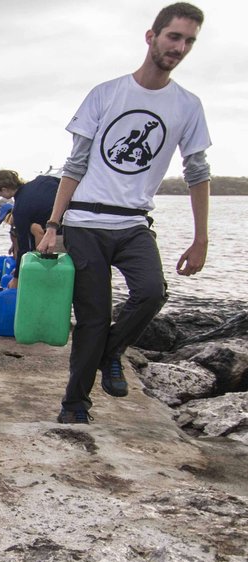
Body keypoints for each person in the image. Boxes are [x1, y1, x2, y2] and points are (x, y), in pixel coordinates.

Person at [36, 2, 211, 424]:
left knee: (152, 291)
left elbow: (198, 171)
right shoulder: (106, 93)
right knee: (93, 320)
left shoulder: (187, 105)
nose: (180, 46)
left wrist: (201, 238)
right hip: (85, 224)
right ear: (152, 37)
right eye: (174, 36)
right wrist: (53, 226)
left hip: (133, 223)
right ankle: (74, 405)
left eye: (189, 40)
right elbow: (74, 165)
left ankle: (112, 352)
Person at [0, 169, 60, 287]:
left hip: (62, 233)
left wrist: (17, 278)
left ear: (5, 189)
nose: (0, 195)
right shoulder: (42, 179)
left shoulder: (19, 210)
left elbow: (24, 248)